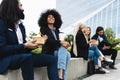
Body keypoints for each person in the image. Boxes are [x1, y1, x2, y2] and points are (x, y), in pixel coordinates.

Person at [0, 0, 59, 80]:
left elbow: (23, 46)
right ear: (12, 7)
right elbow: (2, 49)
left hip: (23, 57)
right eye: (20, 6)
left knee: (52, 59)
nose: (23, 9)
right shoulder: (1, 23)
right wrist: (24, 45)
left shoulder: (21, 26)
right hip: (6, 59)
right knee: (27, 58)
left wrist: (33, 45)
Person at [38, 9, 71, 80]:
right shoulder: (43, 29)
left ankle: (61, 74)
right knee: (66, 53)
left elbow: (58, 42)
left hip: (57, 51)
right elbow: (48, 41)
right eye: (49, 17)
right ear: (45, 19)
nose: (51, 18)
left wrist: (65, 43)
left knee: (67, 54)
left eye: (53, 17)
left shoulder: (57, 30)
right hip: (49, 51)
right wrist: (60, 42)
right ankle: (61, 73)